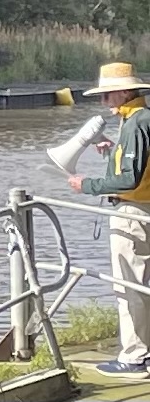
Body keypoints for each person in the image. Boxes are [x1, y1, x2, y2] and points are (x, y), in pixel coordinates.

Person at [69, 62, 150, 378]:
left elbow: (130, 179)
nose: (104, 102)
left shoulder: (135, 124)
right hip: (144, 210)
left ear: (125, 91)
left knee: (128, 287)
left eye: (108, 94)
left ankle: (134, 358)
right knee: (141, 286)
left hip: (132, 215)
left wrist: (87, 185)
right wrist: (112, 150)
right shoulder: (140, 120)